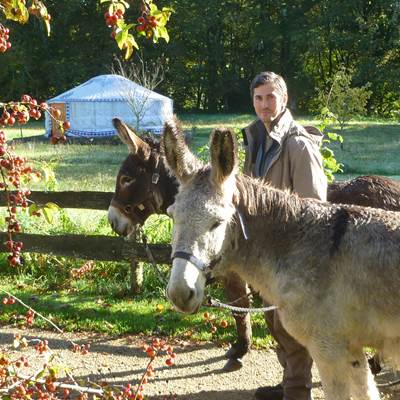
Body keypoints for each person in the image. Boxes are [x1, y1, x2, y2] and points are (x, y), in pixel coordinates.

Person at [242, 71, 327, 400]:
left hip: (291, 256)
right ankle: (289, 382)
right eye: (258, 98)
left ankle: (297, 391)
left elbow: (314, 210)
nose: (264, 104)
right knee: (276, 324)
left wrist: (303, 261)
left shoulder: (298, 145)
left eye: (270, 97)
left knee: (292, 329)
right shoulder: (255, 140)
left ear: (284, 99)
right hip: (264, 254)